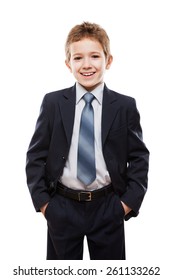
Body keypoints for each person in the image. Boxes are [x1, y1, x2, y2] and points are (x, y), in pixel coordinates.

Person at [26, 22, 149, 260]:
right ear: (68, 63)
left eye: (94, 56)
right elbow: (35, 156)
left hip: (108, 206)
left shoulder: (125, 106)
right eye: (78, 57)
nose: (86, 65)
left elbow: (139, 157)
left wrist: (126, 204)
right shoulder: (53, 103)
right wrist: (45, 205)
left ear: (108, 60)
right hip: (62, 206)